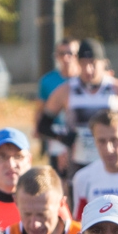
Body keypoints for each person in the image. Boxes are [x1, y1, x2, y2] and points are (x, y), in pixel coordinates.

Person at [44, 38, 118, 178]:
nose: (88, 69)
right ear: (77, 63)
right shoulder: (65, 91)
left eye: (93, 63)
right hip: (80, 163)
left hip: (113, 161)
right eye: (83, 64)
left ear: (104, 63)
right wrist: (63, 140)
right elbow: (43, 125)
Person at [38, 39, 81, 175]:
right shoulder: (47, 81)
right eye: (62, 53)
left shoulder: (85, 79)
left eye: (70, 53)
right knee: (59, 176)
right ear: (56, 56)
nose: (66, 58)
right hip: (57, 135)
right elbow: (41, 109)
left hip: (82, 136)